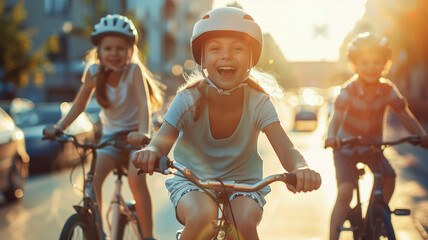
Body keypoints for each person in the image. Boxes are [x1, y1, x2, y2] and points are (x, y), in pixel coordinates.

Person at [132, 7, 321, 240]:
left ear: (251, 58)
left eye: (237, 48)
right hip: (193, 180)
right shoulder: (187, 98)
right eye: (215, 48)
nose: (226, 56)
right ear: (202, 58)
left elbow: (287, 148)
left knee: (243, 224)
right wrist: (151, 151)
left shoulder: (258, 102)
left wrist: (300, 168)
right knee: (203, 217)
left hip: (244, 185)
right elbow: (162, 141)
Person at [43, 14, 163, 240]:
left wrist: (144, 133)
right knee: (93, 180)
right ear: (99, 50)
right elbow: (79, 104)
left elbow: (143, 105)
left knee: (136, 180)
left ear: (130, 50)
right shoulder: (93, 72)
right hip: (110, 138)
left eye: (120, 48)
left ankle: (148, 236)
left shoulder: (134, 71)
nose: (114, 53)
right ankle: (98, 232)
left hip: (135, 135)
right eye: (108, 48)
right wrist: (59, 127)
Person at [325, 32, 428, 240]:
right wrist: (331, 136)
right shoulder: (348, 91)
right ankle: (332, 237)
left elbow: (404, 115)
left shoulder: (387, 89)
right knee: (345, 191)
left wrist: (421, 135)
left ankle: (377, 212)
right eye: (364, 63)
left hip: (373, 148)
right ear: (354, 66)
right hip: (346, 148)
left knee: (389, 177)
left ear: (385, 65)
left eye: (376, 62)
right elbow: (336, 117)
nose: (371, 67)